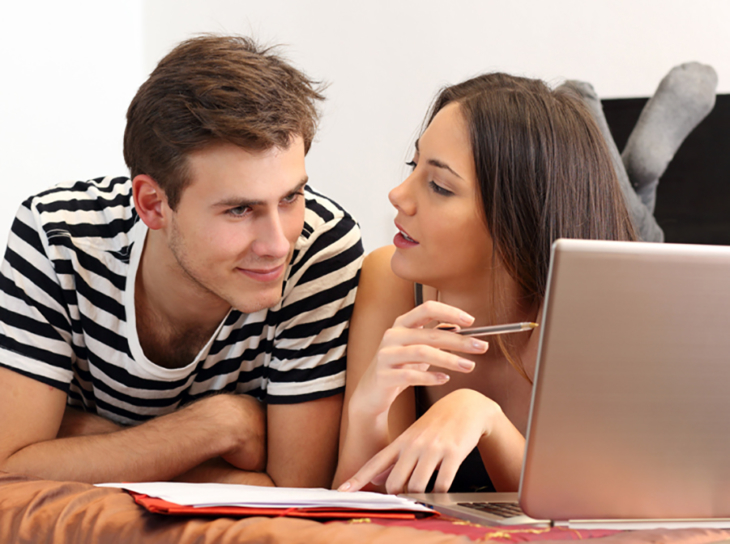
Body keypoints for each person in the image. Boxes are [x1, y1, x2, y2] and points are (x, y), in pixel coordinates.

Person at [0, 35, 363, 487]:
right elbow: (10, 472)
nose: (277, 244)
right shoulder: (59, 237)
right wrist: (218, 426)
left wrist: (79, 442)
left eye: (291, 197)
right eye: (239, 209)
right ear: (152, 204)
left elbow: (293, 494)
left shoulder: (319, 248)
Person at [334, 73, 635, 495]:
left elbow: (585, 514)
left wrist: (485, 420)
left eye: (439, 185)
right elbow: (356, 514)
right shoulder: (390, 280)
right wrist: (367, 413)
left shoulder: (589, 317)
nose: (398, 195)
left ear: (517, 219)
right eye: (412, 166)